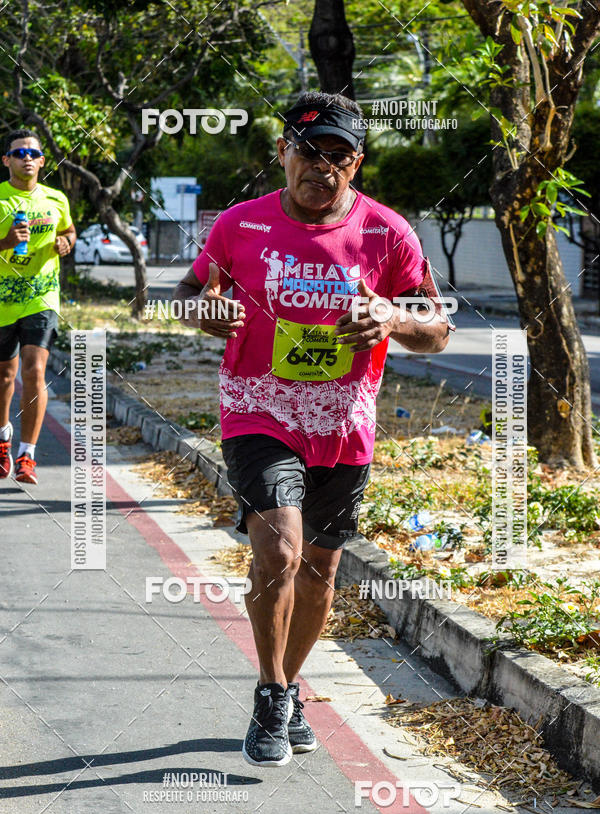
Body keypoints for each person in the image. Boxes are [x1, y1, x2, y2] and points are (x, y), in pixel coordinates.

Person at [173, 91, 455, 767]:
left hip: (345, 424)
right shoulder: (241, 226)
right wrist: (203, 312)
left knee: (321, 568)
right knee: (280, 552)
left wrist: (393, 321)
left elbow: (438, 331)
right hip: (258, 411)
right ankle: (272, 693)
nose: (320, 167)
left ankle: (290, 682)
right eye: (308, 150)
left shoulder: (388, 234)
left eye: (338, 155)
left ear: (355, 163)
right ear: (283, 153)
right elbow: (187, 293)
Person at [0, 129, 76, 484]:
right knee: (4, 377)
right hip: (2, 302)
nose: (26, 157)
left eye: (33, 152)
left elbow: (70, 231)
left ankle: (27, 455)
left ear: (42, 161)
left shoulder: (56, 198)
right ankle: (3, 439)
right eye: (19, 152)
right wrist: (5, 242)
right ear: (7, 160)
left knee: (34, 371)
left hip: (41, 297)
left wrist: (65, 242)